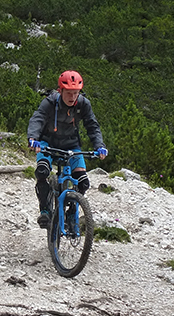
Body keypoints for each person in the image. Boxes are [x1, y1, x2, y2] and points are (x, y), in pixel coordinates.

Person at [27, 70, 107, 228]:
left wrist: (100, 146)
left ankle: (72, 211)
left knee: (83, 182)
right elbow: (38, 118)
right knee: (42, 171)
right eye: (69, 93)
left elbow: (92, 126)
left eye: (75, 93)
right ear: (60, 91)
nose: (72, 97)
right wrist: (33, 139)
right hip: (47, 143)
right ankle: (45, 210)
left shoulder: (83, 104)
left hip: (71, 145)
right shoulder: (50, 102)